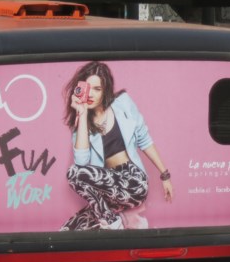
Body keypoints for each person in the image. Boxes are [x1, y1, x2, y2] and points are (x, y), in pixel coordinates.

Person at [60, 61, 173, 231]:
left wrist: (165, 175)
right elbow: (81, 164)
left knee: (72, 172)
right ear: (81, 88)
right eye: (87, 88)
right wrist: (82, 115)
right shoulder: (81, 125)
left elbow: (145, 140)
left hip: (133, 182)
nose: (91, 93)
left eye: (97, 89)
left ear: (105, 91)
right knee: (69, 229)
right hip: (108, 190)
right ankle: (115, 219)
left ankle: (112, 221)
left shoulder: (123, 104)